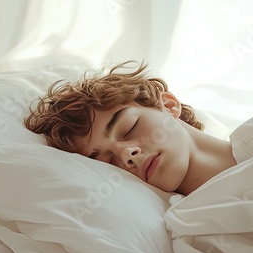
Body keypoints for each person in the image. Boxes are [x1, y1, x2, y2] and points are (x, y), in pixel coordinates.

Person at [25, 61, 238, 195]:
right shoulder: (195, 235)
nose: (127, 154)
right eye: (108, 161)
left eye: (129, 128)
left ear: (169, 106)